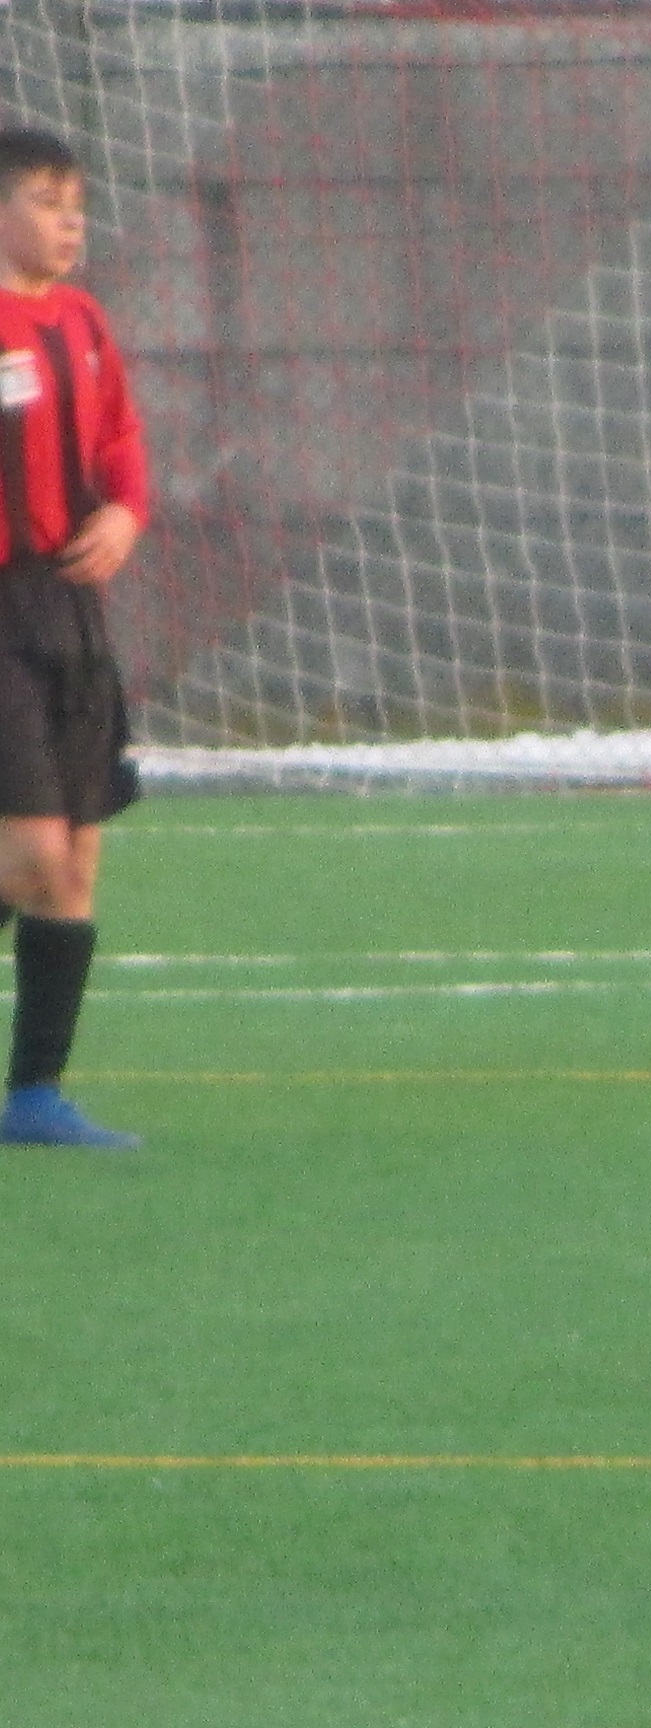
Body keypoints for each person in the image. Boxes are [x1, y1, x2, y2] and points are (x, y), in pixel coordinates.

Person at [0, 128, 147, 1151]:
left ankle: (33, 1098)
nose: (70, 221)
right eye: (47, 201)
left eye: (77, 204)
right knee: (33, 855)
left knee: (77, 859)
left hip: (73, 613)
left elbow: (120, 439)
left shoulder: (84, 320)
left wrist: (128, 513)